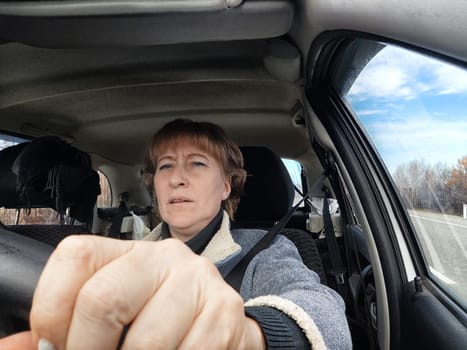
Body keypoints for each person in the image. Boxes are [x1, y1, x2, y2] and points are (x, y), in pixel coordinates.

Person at [0, 119, 351, 349]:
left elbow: (327, 315)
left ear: (227, 185)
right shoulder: (122, 250)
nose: (177, 178)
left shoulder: (267, 252)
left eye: (197, 164)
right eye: (165, 166)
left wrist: (248, 335)